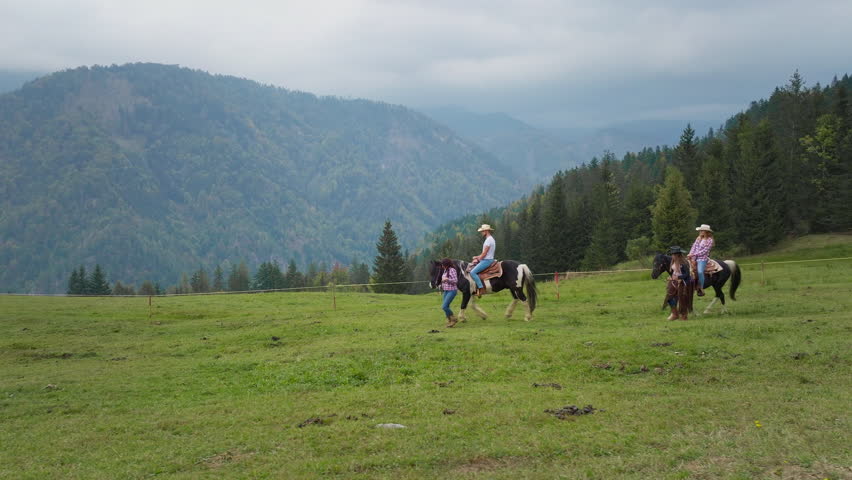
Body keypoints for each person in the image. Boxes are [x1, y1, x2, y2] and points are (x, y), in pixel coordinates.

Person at [663, 246, 693, 320]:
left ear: (678, 255)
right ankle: (674, 314)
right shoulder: (673, 261)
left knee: (682, 299)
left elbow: (687, 274)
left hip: (683, 282)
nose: (672, 256)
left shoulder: (684, 262)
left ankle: (684, 315)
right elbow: (674, 272)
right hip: (674, 281)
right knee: (669, 298)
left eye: (673, 254)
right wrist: (671, 277)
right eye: (672, 254)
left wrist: (678, 277)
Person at [688, 224, 715, 297]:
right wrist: (690, 254)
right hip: (694, 257)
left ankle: (701, 288)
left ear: (706, 232)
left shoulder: (710, 240)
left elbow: (705, 251)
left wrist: (694, 255)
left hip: (702, 259)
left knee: (700, 271)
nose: (700, 232)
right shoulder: (698, 238)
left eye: (702, 230)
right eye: (700, 230)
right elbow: (694, 247)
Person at [470, 224, 496, 298]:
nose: (481, 232)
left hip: (487, 260)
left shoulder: (489, 240)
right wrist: (477, 257)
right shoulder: (490, 239)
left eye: (482, 231)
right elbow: (484, 253)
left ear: (486, 231)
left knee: (473, 272)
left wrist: (478, 258)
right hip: (487, 259)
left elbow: (484, 253)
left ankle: (481, 288)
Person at [439, 258, 459, 327]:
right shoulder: (445, 270)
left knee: (444, 307)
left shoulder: (452, 270)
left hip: (452, 290)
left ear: (446, 264)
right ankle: (450, 321)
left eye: (443, 264)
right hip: (446, 290)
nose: (442, 266)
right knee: (446, 306)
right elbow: (444, 280)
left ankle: (453, 319)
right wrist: (442, 284)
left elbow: (455, 281)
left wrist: (447, 279)